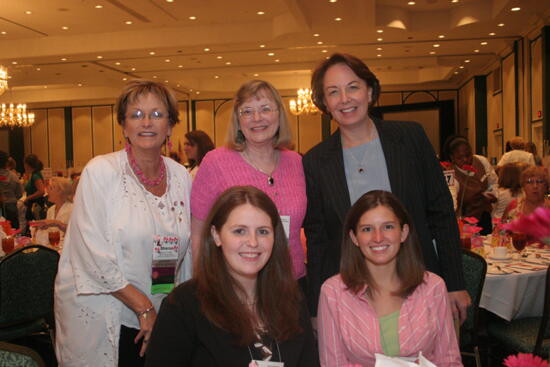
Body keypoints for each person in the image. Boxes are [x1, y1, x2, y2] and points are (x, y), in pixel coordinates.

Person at [302, 53, 470, 322]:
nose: (345, 99)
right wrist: (316, 308)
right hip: (351, 292)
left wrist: (454, 282)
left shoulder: (410, 137)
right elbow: (318, 240)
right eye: (333, 92)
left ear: (369, 91)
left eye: (353, 87)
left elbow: (441, 210)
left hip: (418, 280)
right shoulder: (315, 162)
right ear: (324, 103)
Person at [54, 80, 193, 367]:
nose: (146, 123)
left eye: (157, 114)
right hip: (106, 310)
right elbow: (90, 254)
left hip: (159, 307)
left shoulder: (181, 176)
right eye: (136, 114)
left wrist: (175, 310)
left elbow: (186, 250)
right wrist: (143, 307)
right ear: (123, 125)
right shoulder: (101, 172)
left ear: (170, 125)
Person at [146, 186, 318, 366]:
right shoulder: (184, 305)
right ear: (216, 235)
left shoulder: (292, 300)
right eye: (239, 231)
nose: (252, 242)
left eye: (263, 231)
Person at [317, 190, 461, 367]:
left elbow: (449, 360)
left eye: (388, 227)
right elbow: (333, 364)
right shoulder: (333, 293)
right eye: (367, 229)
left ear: (403, 232)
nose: (378, 238)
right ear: (354, 237)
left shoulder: (433, 287)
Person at [191, 80, 307, 285]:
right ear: (238, 120)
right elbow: (199, 231)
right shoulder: (216, 162)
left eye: (265, 109)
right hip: (233, 285)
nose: (257, 118)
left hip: (292, 283)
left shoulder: (297, 163)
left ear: (279, 114)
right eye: (247, 111)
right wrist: (203, 281)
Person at [446, 136, 497, 234]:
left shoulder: (482, 161)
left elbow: (494, 182)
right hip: (466, 221)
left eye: (468, 155)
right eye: (460, 158)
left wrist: (493, 193)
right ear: (452, 158)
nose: (465, 160)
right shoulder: (450, 174)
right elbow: (451, 199)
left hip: (485, 215)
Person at [0, 151, 23, 229]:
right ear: (7, 163)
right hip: (11, 206)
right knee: (13, 231)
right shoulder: (13, 176)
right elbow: (20, 193)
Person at [23, 154, 46, 221]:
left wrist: (28, 198)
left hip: (35, 204)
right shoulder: (35, 174)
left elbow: (41, 191)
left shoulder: (35, 176)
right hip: (35, 202)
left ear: (27, 164)